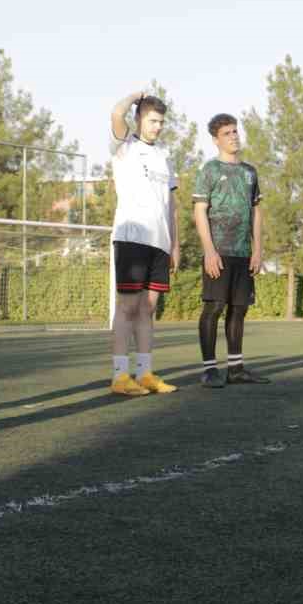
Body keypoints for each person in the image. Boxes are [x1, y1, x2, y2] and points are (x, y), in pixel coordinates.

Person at [108, 92, 180, 396]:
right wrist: (134, 96)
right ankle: (120, 376)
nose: (157, 126)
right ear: (139, 119)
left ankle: (145, 372)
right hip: (131, 237)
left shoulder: (165, 155)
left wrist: (175, 244)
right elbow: (115, 114)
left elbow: (172, 203)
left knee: (148, 308)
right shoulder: (125, 147)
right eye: (152, 120)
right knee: (128, 305)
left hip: (159, 242)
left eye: (161, 122)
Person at [193, 114, 270, 387]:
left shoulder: (250, 172)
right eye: (227, 133)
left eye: (235, 131)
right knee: (214, 307)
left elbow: (256, 211)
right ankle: (209, 369)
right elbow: (200, 211)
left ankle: (235, 369)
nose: (234, 136)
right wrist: (209, 251)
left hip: (243, 252)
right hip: (219, 251)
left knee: (239, 309)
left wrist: (258, 249)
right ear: (216, 140)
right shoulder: (210, 170)